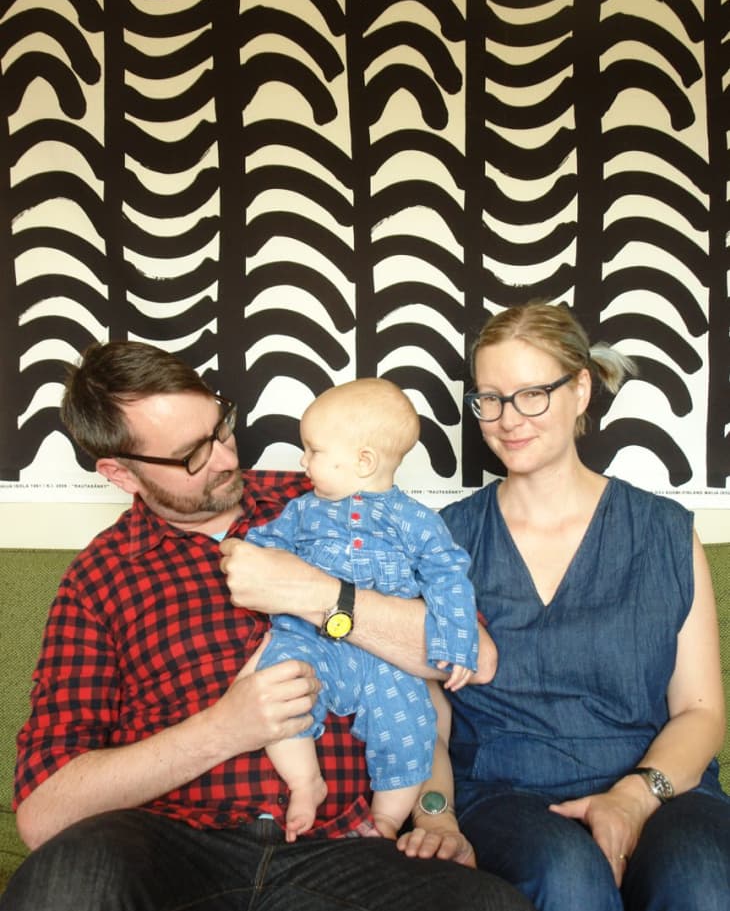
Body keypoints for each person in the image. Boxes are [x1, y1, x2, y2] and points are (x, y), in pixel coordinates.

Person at [0, 340, 535, 911]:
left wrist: (320, 595)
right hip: (170, 847)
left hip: (345, 849)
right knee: (65, 886)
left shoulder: (325, 495)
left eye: (220, 428)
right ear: (120, 473)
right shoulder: (100, 577)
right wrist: (224, 728)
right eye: (191, 455)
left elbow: (473, 656)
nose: (225, 458)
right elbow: (44, 812)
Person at [400, 301, 730, 911]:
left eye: (532, 394)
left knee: (703, 881)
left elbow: (701, 712)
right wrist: (435, 814)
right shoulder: (443, 540)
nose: (507, 419)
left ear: (580, 389)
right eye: (490, 398)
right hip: (503, 793)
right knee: (569, 877)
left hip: (660, 786)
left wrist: (632, 798)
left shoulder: (664, 532)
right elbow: (427, 719)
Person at [246, 378, 497, 841]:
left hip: (386, 659)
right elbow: (264, 550)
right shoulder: (302, 510)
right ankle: (305, 781)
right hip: (312, 641)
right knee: (279, 685)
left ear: (363, 461)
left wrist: (457, 643)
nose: (302, 461)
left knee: (412, 726)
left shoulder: (415, 520)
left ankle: (385, 821)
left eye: (313, 450)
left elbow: (448, 578)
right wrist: (249, 556)